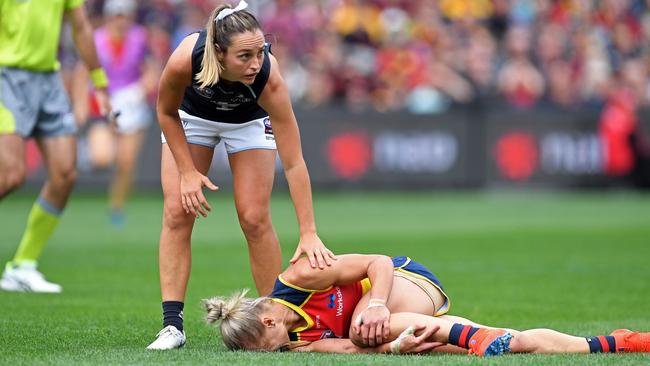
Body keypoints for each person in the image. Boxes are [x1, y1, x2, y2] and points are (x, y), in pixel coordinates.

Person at [146, 0, 335, 350]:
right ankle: (172, 327)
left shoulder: (268, 78)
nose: (255, 63)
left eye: (260, 52)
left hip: (248, 121)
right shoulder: (185, 58)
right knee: (176, 210)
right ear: (218, 53)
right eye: (244, 56)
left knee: (254, 218)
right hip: (191, 118)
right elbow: (165, 111)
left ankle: (275, 321)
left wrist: (308, 232)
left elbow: (294, 162)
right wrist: (187, 172)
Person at [204, 253, 650, 356]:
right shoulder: (296, 344)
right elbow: (356, 352)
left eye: (269, 346)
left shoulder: (298, 279)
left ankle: (472, 337)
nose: (278, 353)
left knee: (365, 325)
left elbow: (377, 262)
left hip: (404, 278)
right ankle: (615, 344)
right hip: (400, 321)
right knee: (516, 343)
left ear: (267, 319)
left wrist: (375, 305)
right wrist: (401, 346)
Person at [0, 0, 111, 292]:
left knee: (64, 173)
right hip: (5, 77)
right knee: (9, 176)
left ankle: (22, 266)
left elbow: (81, 26)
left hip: (48, 80)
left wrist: (99, 82)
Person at [73, 0, 159, 227]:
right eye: (116, 16)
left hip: (132, 107)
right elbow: (82, 72)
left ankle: (116, 207)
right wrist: (80, 105)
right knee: (102, 157)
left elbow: (152, 70)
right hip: (103, 104)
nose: (121, 21)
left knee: (126, 162)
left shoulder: (140, 38)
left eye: (124, 16)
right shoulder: (96, 39)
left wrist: (140, 89)